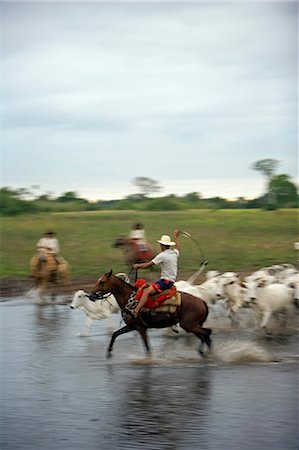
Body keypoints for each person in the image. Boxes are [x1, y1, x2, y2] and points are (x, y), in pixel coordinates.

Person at [132, 229, 181, 316]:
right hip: (171, 281)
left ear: (162, 245)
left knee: (146, 291)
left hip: (165, 282)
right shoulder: (174, 253)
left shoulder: (162, 255)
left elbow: (149, 265)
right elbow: (178, 247)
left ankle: (136, 310)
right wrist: (176, 237)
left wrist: (138, 266)